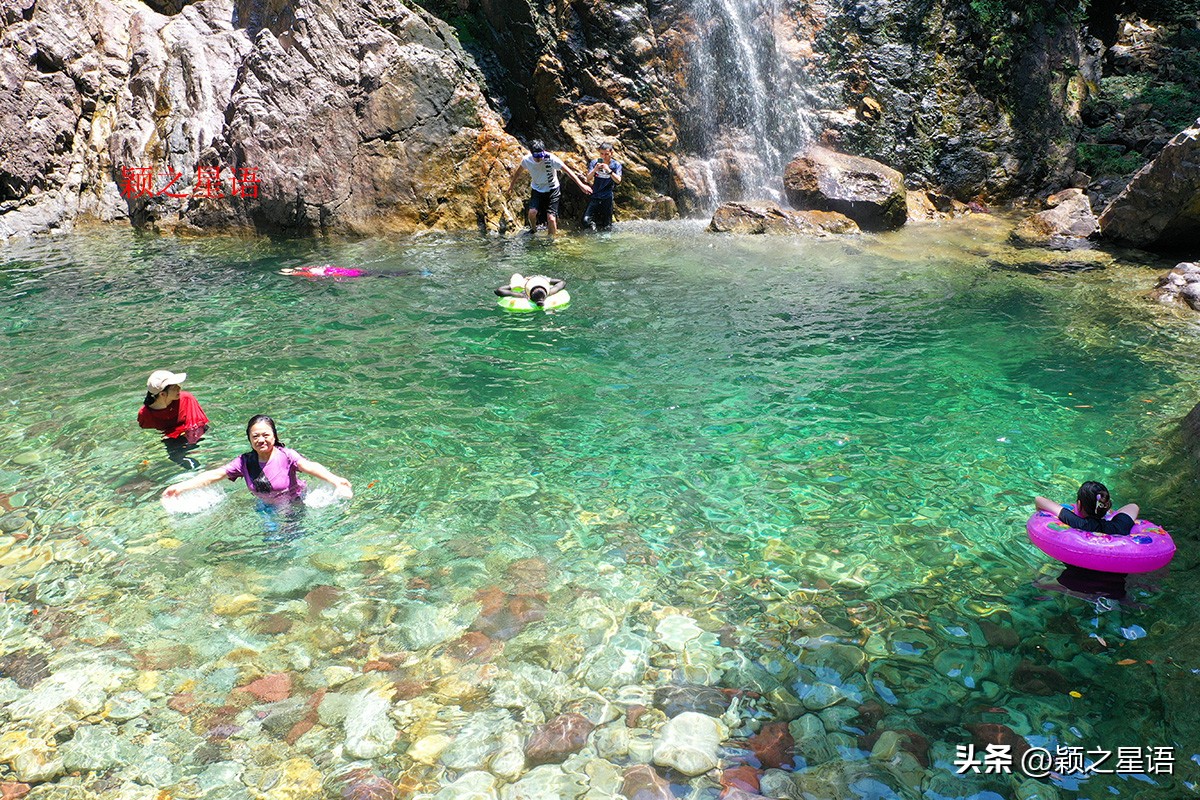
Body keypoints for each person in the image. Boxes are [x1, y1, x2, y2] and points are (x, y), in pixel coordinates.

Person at [162, 414, 352, 505]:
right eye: (255, 436)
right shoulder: (244, 462)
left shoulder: (287, 455)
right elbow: (214, 475)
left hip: (295, 502)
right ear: (250, 439)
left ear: (274, 436)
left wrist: (335, 480)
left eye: (266, 435)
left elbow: (310, 467)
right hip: (265, 506)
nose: (261, 440)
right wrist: (180, 487)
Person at [507, 140, 591, 235]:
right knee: (532, 213)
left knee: (551, 218)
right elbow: (518, 173)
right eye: (536, 156)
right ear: (531, 153)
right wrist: (511, 186)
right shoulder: (526, 160)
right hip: (537, 189)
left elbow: (568, 171)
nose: (539, 159)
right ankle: (533, 230)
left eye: (541, 155)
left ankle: (552, 239)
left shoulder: (551, 159)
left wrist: (581, 185)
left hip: (552, 189)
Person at [138, 370, 209, 469]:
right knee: (174, 457)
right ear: (162, 394)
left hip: (194, 434)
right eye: (174, 387)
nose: (179, 388)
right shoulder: (145, 414)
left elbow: (198, 424)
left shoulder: (187, 398)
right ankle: (197, 470)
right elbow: (148, 435)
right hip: (171, 440)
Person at [1034, 481, 1139, 537]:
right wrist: (1114, 516)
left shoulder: (1079, 523)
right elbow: (1133, 506)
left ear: (1079, 504)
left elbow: (1039, 499)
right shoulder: (1119, 526)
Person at [583, 142, 623, 231]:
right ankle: (593, 231)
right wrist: (595, 170)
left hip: (607, 197)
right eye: (601, 154)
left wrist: (609, 170)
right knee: (586, 221)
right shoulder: (594, 162)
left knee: (607, 225)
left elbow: (618, 180)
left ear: (611, 153)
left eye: (606, 154)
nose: (604, 157)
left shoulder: (616, 165)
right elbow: (588, 179)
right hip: (595, 195)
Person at [494, 272, 567, 307]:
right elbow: (562, 282)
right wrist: (547, 280)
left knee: (516, 275)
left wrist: (513, 286)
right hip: (538, 282)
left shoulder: (524, 295)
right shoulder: (550, 292)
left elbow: (498, 291)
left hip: (525, 283)